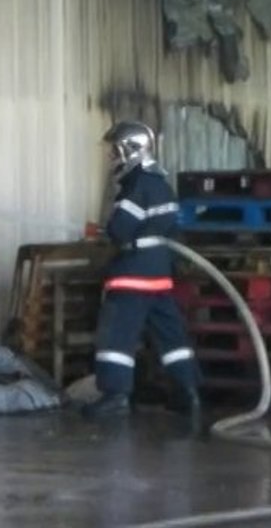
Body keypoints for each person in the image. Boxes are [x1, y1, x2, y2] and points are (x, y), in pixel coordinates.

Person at [82, 120, 201, 419]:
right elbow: (170, 229)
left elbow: (121, 229)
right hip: (159, 276)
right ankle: (188, 393)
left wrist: (102, 232)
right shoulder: (161, 185)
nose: (111, 157)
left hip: (132, 275)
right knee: (171, 337)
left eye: (114, 151)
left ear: (129, 150)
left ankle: (115, 395)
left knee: (117, 336)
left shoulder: (135, 186)